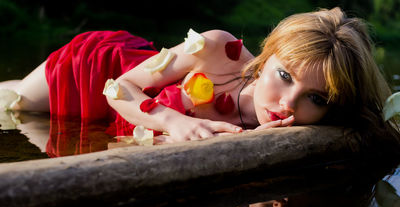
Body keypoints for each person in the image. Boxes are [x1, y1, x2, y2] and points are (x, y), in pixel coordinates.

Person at [0, 7, 399, 147]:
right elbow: (119, 87)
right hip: (94, 71)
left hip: (113, 117)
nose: (287, 104)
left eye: (318, 98)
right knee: (15, 104)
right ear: (266, 57)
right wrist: (174, 120)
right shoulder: (215, 49)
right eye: (283, 74)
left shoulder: (302, 123)